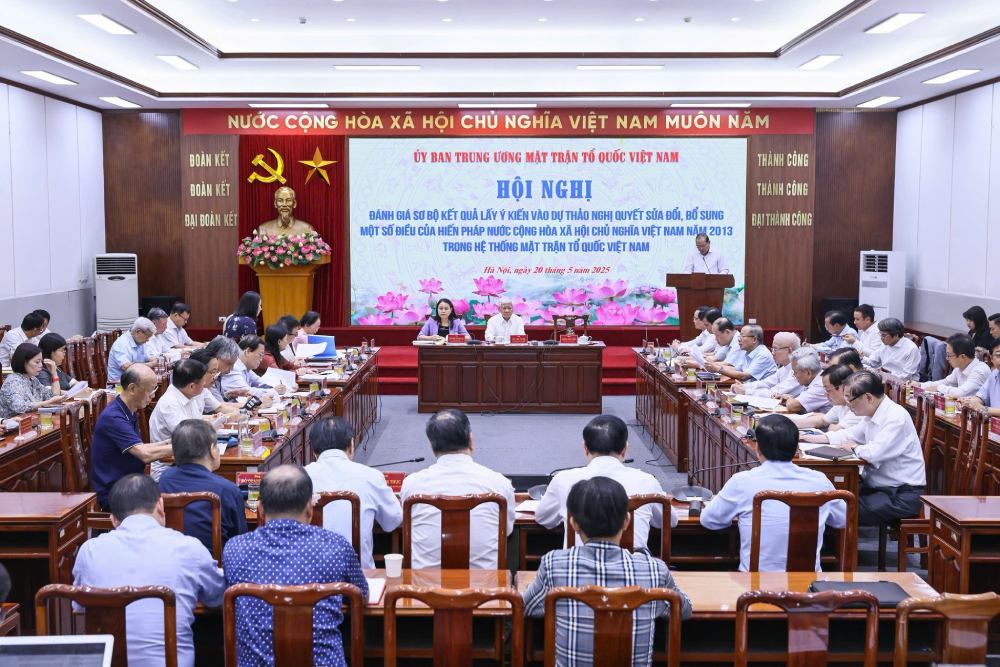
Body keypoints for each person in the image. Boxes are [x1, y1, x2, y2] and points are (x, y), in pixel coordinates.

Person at [523, 477, 692, 665]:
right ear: (627, 521)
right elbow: (683, 610)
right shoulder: (655, 570)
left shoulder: (554, 564)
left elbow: (526, 607)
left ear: (573, 523)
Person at [73, 474, 225, 667]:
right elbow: (219, 596)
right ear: (160, 506)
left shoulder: (89, 550)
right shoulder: (189, 548)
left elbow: (80, 606)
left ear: (113, 520)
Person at [223, 464, 367, 667]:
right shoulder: (336, 546)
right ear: (310, 507)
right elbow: (361, 595)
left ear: (260, 509)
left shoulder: (234, 549)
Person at [700, 414, 847, 571]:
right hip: (807, 584)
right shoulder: (819, 481)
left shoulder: (742, 482)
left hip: (755, 585)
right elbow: (843, 519)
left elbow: (709, 520)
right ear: (797, 448)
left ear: (757, 448)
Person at [802, 371, 926, 525]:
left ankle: (836, 548)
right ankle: (830, 547)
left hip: (901, 493)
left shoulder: (896, 417)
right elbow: (851, 434)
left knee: (839, 509)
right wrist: (816, 439)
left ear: (868, 397)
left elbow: (874, 453)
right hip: (878, 486)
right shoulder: (872, 413)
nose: (848, 404)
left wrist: (855, 448)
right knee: (826, 498)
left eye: (850, 399)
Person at [536, 414, 677, 549]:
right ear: (625, 449)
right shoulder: (647, 481)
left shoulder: (563, 479)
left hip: (577, 569)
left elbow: (543, 518)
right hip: (635, 570)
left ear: (585, 448)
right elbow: (669, 521)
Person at [400, 409, 515, 569]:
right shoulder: (499, 484)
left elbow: (407, 530)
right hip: (487, 591)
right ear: (470, 440)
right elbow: (506, 532)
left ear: (431, 446)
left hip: (423, 591)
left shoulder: (412, 485)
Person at [304, 416, 403, 569]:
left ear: (314, 451)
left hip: (308, 580)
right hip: (360, 581)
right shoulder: (370, 476)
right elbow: (393, 521)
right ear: (351, 445)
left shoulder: (298, 478)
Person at [91, 366, 173, 510]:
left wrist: (171, 443)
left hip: (132, 483)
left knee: (173, 484)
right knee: (176, 493)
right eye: (151, 390)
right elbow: (144, 454)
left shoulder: (128, 409)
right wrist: (186, 446)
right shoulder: (114, 417)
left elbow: (140, 446)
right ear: (133, 388)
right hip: (116, 492)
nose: (153, 396)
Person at [159, 419, 247, 553]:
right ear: (212, 450)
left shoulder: (164, 479)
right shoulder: (227, 489)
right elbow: (240, 540)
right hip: (215, 568)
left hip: (172, 563)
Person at [148, 359, 210, 481]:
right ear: (191, 386)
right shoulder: (170, 403)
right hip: (169, 470)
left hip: (188, 461)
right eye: (203, 382)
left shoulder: (188, 395)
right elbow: (189, 439)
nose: (204, 385)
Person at [788, 364, 863, 432]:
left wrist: (832, 427)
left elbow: (836, 431)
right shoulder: (840, 404)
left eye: (828, 389)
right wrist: (789, 423)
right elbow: (823, 421)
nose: (825, 394)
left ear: (843, 387)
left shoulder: (857, 406)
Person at [0, 343, 66, 418]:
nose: (41, 365)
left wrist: (54, 374)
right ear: (23, 362)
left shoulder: (33, 380)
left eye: (41, 361)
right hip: (13, 427)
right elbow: (19, 407)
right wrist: (48, 402)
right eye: (37, 362)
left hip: (33, 422)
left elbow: (53, 396)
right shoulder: (13, 381)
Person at [733, 332, 802, 398]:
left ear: (789, 350)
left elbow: (774, 393)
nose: (772, 353)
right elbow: (766, 383)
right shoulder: (784, 368)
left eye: (775, 349)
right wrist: (744, 386)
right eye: (772, 349)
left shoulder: (800, 370)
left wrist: (746, 391)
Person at [920, 334, 990, 398]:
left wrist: (938, 387)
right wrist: (920, 385)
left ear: (963, 356)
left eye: (949, 355)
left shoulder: (979, 371)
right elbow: (947, 382)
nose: (947, 358)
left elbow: (961, 393)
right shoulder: (960, 366)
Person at [220, 335, 283, 405]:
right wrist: (274, 391)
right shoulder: (233, 367)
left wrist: (273, 388)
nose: (261, 359)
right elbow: (247, 392)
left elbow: (261, 382)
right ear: (247, 352)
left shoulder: (246, 367)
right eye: (260, 355)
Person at [706, 325, 776, 382]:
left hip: (762, 394)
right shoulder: (747, 351)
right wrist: (713, 366)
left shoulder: (763, 355)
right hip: (748, 389)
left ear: (754, 339)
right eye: (739, 336)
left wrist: (718, 369)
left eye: (742, 336)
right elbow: (736, 369)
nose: (739, 339)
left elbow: (744, 376)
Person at [188, 348, 239, 416]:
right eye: (213, 372)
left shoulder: (203, 390)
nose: (216, 377)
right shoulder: (178, 397)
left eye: (217, 372)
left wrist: (239, 412)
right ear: (199, 371)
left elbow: (220, 407)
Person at [107, 317, 158, 384]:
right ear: (138, 332)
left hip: (136, 381)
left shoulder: (140, 342)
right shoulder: (122, 343)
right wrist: (150, 364)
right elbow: (127, 367)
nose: (148, 340)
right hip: (120, 386)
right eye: (147, 337)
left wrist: (154, 360)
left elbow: (150, 357)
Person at [779, 348, 831, 414]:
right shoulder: (814, 380)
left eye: (795, 372)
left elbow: (792, 406)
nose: (794, 375)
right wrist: (791, 398)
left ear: (808, 373)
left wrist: (790, 400)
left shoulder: (821, 384)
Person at [961, 339, 1000, 417]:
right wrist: (970, 402)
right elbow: (981, 397)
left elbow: (982, 407)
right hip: (993, 425)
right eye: (999, 355)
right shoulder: (995, 374)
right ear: (991, 358)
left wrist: (984, 409)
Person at [204, 336, 243, 404]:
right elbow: (219, 406)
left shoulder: (217, 374)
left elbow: (215, 401)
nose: (230, 370)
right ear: (216, 357)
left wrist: (228, 396)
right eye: (229, 364)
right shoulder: (206, 374)